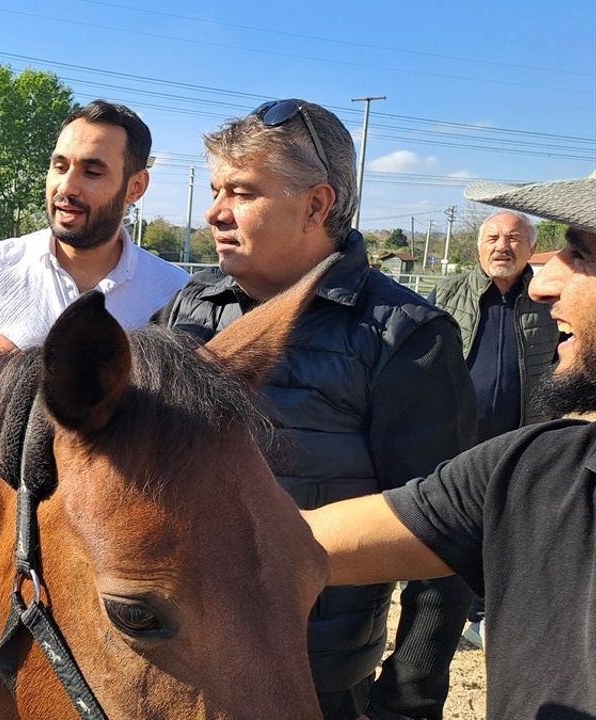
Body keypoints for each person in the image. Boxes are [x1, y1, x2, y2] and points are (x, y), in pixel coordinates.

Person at [149, 99, 476, 720]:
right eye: (216, 189)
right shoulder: (187, 309)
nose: (214, 212)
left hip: (311, 678)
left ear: (317, 205)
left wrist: (408, 700)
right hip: (176, 658)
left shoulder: (404, 337)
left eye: (241, 192)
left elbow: (447, 536)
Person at [306, 172, 596, 720]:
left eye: (579, 251)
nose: (543, 283)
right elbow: (301, 540)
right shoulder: (546, 473)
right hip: (473, 456)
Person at [0, 100, 187, 356]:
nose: (66, 188)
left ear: (135, 187)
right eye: (60, 167)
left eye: (91, 172)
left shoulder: (176, 295)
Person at [427, 210, 560, 655]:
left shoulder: (546, 298)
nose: (502, 246)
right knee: (447, 524)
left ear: (529, 247)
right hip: (453, 436)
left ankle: (484, 615)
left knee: (505, 525)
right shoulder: (448, 292)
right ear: (479, 245)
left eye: (514, 238)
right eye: (493, 237)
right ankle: (439, 614)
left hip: (519, 436)